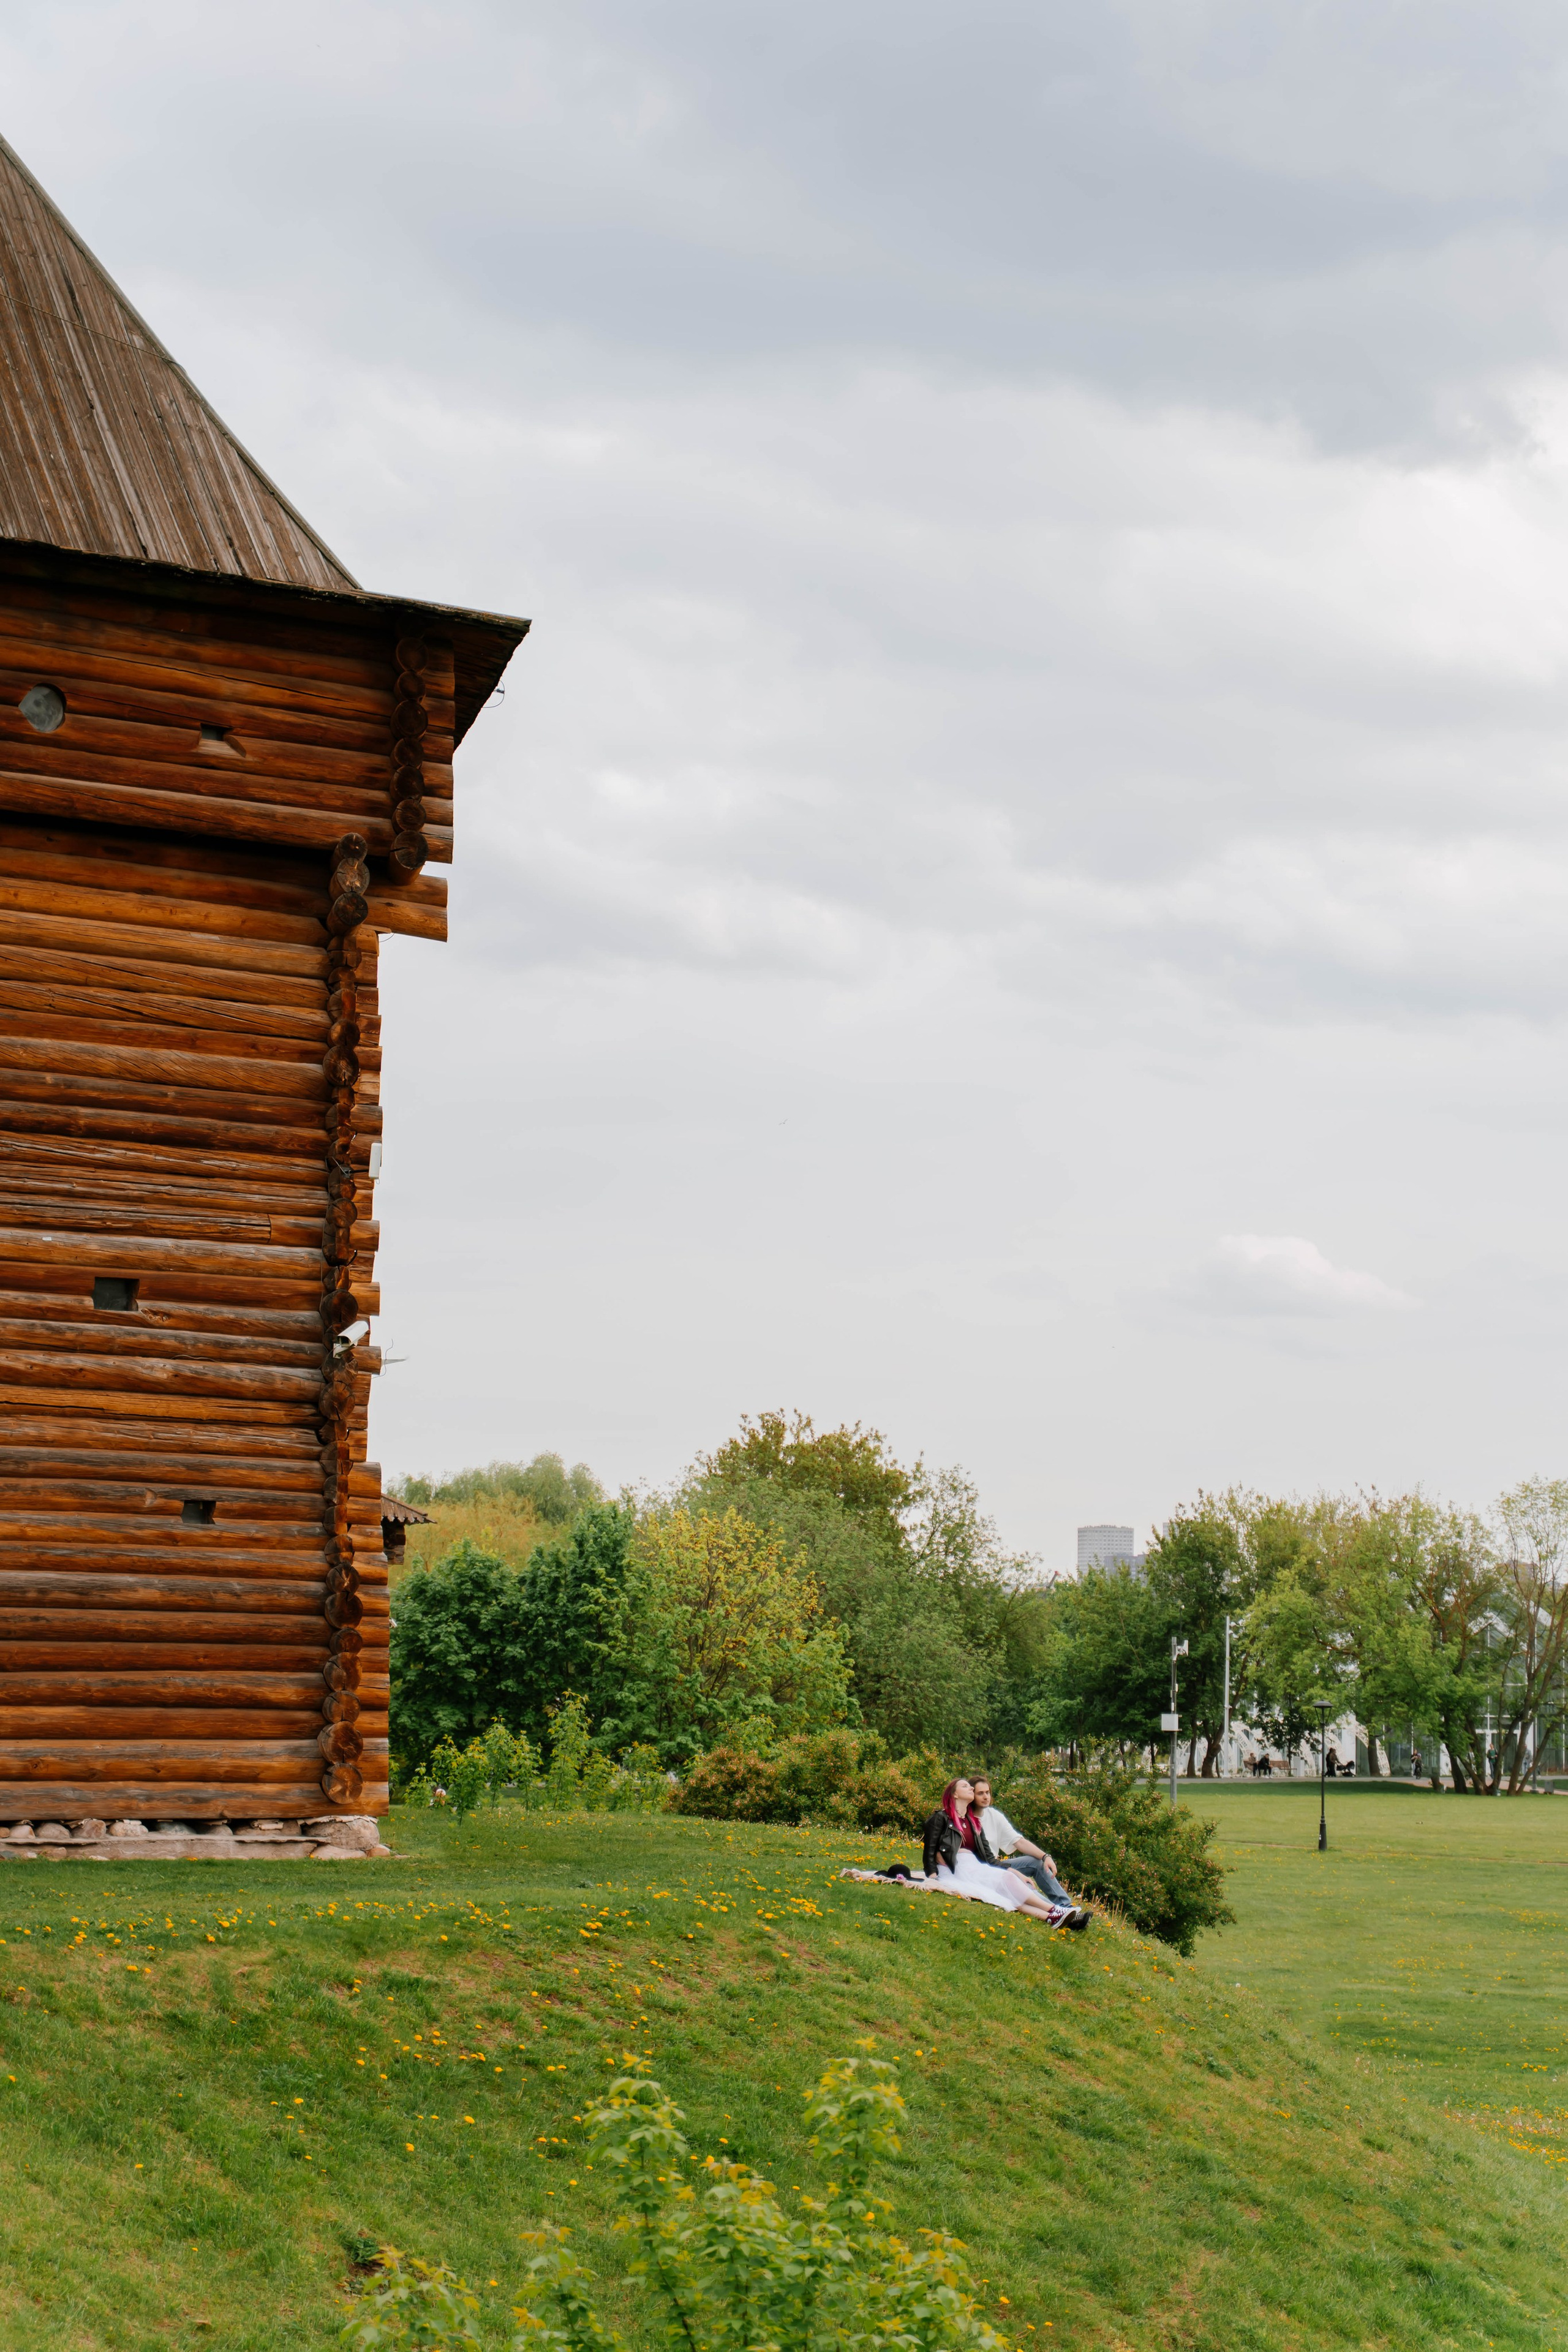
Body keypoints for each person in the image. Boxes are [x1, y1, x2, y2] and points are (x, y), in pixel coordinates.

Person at [921, 1779, 1081, 1924]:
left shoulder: (975, 1823)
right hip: (958, 1869)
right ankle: (1054, 1910)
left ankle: (1053, 1916)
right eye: (968, 1787)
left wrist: (1022, 1871)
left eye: (987, 1792)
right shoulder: (941, 1818)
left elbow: (992, 1857)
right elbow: (930, 1850)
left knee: (1009, 1884)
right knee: (1006, 1887)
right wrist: (933, 1876)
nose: (982, 1795)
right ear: (954, 1794)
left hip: (978, 1867)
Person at [971, 1777, 1090, 1932]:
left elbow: (1019, 1842)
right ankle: (1058, 1913)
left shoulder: (993, 1816)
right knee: (1022, 1883)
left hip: (996, 1864)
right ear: (971, 1795)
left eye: (987, 1792)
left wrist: (1045, 1856)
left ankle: (1067, 1908)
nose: (986, 1797)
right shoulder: (966, 1819)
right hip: (985, 1870)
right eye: (980, 1793)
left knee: (1036, 1862)